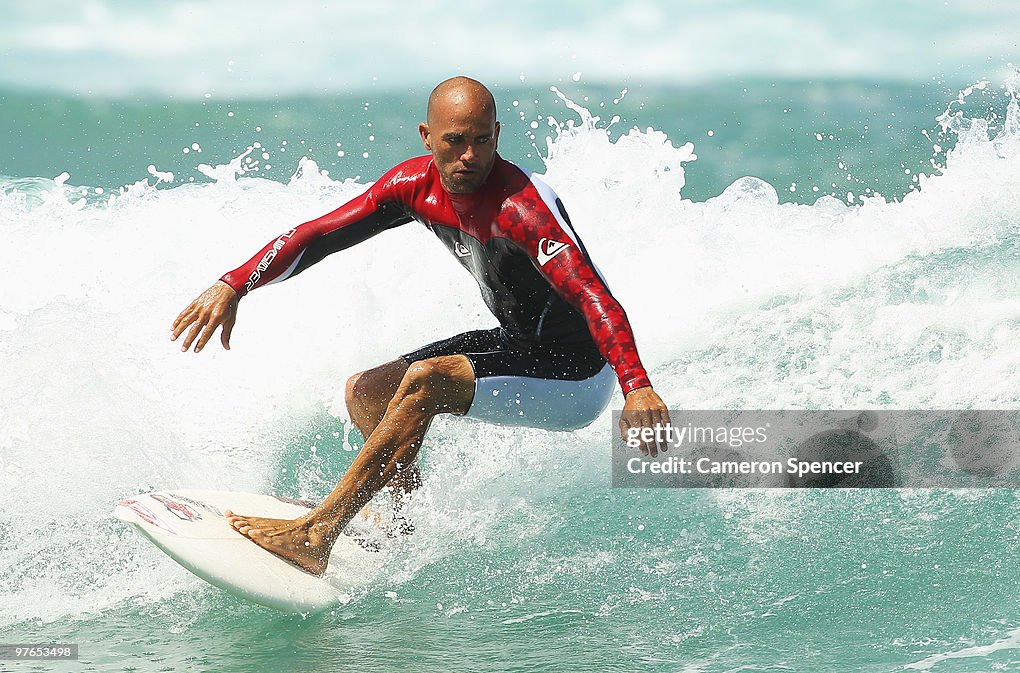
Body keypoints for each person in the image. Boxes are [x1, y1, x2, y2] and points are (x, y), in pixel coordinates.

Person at [171, 76, 670, 576]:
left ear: (497, 134)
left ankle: (317, 533)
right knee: (367, 392)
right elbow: (318, 235)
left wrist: (638, 388)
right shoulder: (412, 187)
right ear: (426, 137)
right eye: (455, 141)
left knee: (426, 381)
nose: (469, 156)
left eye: (482, 140)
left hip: (579, 372)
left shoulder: (523, 209)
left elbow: (593, 296)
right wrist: (234, 284)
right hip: (521, 343)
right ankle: (401, 527)